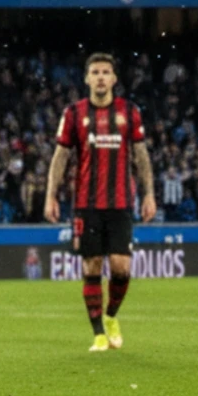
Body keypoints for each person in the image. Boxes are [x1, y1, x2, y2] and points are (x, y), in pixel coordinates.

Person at [44, 53, 156, 352]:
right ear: (87, 78)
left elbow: (141, 156)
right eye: (95, 72)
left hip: (120, 203)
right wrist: (50, 195)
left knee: (121, 268)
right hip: (87, 204)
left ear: (114, 78)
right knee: (91, 266)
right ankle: (98, 335)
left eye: (106, 72)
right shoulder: (73, 113)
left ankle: (110, 316)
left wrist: (149, 194)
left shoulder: (129, 112)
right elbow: (61, 157)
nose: (101, 77)